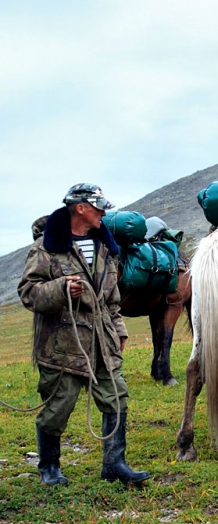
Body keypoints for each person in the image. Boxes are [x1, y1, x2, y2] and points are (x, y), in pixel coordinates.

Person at [18, 183, 151, 485]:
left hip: (102, 342)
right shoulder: (45, 248)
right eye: (98, 206)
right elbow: (28, 292)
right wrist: (60, 288)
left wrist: (119, 330)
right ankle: (49, 468)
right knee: (58, 406)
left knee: (117, 398)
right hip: (61, 344)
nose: (104, 212)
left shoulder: (104, 246)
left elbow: (111, 298)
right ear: (80, 208)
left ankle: (115, 464)